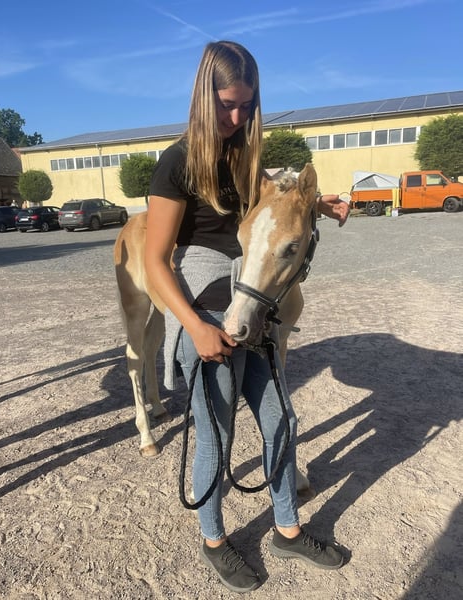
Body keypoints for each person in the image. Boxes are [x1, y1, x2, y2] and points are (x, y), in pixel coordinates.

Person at [145, 40, 349, 594]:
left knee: (281, 420)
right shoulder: (177, 162)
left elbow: (277, 206)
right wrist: (194, 327)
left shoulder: (245, 156)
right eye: (227, 104)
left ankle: (287, 528)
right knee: (217, 433)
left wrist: (320, 203)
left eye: (246, 106)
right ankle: (213, 539)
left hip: (252, 300)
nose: (236, 118)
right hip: (206, 309)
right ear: (203, 96)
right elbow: (156, 260)